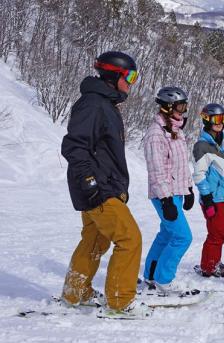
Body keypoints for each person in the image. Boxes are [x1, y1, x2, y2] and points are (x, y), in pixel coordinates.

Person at [60, 51, 152, 319]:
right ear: (114, 76)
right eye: (130, 76)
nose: (132, 83)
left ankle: (76, 292)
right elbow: (74, 145)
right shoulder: (94, 104)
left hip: (99, 185)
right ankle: (120, 302)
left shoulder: (104, 104)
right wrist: (90, 182)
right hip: (98, 188)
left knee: (95, 239)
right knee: (129, 238)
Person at [142, 87, 197, 295]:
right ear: (167, 107)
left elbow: (180, 164)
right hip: (164, 194)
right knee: (183, 237)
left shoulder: (175, 130)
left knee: (166, 235)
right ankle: (164, 280)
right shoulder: (156, 135)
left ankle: (151, 275)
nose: (183, 111)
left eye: (184, 106)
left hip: (175, 192)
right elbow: (157, 171)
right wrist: (166, 200)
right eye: (180, 106)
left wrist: (189, 188)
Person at [192, 103, 224, 277]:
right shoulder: (202, 146)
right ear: (207, 120)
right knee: (216, 233)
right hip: (213, 198)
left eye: (223, 119)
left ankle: (213, 262)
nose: (220, 123)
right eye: (216, 119)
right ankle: (209, 267)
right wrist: (207, 197)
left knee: (221, 232)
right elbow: (198, 174)